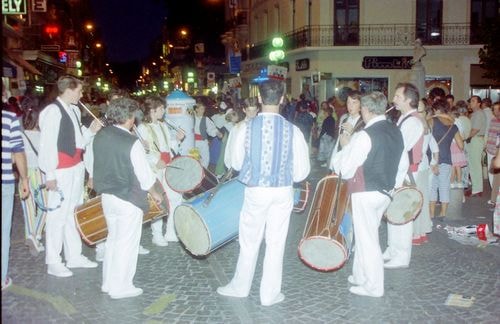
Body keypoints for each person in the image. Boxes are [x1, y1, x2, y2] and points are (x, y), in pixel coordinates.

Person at [217, 79, 310, 306]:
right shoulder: (293, 130)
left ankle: (240, 287)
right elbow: (301, 173)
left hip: (256, 190)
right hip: (283, 191)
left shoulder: (244, 128)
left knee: (249, 240)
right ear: (282, 99)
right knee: (276, 243)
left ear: (259, 98)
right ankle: (269, 294)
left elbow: (236, 163)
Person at [332, 91, 404, 297]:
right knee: (367, 235)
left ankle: (374, 286)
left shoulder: (365, 135)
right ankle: (360, 276)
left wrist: (343, 151)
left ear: (366, 110)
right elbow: (401, 164)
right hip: (385, 191)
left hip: (366, 190)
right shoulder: (394, 130)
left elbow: (345, 168)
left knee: (367, 240)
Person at [93, 97, 162, 299]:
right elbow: (145, 175)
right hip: (128, 198)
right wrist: (156, 194)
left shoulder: (100, 135)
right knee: (127, 243)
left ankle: (108, 282)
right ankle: (121, 287)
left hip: (107, 196)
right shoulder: (132, 142)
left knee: (113, 240)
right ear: (129, 117)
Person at [38, 75, 101, 277]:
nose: (82, 95)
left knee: (72, 214)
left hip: (75, 168)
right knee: (57, 216)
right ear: (69, 89)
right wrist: (50, 174)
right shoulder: (52, 112)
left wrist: (91, 131)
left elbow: (79, 142)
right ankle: (53, 261)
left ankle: (74, 256)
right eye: (80, 91)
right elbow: (47, 145)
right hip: (61, 170)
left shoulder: (73, 110)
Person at [383, 82, 425, 269]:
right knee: (394, 211)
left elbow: (399, 149)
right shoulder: (404, 119)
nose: (394, 100)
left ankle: (402, 256)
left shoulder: (413, 122)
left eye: (398, 97)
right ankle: (393, 249)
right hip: (399, 172)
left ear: (409, 100)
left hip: (406, 174)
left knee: (402, 213)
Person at [136, 96, 184, 246]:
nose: (164, 111)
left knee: (176, 197)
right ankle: (156, 234)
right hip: (154, 169)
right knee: (158, 201)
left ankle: (170, 231)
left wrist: (177, 139)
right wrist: (156, 162)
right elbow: (141, 152)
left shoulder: (163, 125)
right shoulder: (143, 128)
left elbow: (169, 147)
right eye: (162, 108)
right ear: (152, 110)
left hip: (167, 165)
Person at [2, 110, 30, 290]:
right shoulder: (8, 118)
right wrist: (24, 179)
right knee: (3, 231)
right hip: (4, 182)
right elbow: (18, 151)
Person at [18, 95, 47, 254]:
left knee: (29, 209)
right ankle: (34, 235)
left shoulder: (20, 136)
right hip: (39, 174)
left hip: (24, 174)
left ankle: (32, 236)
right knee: (45, 207)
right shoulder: (43, 137)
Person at [428, 99, 463, 220]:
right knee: (444, 186)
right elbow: (461, 145)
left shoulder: (432, 120)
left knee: (432, 187)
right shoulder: (453, 126)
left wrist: (434, 115)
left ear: (435, 110)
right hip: (447, 159)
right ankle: (443, 214)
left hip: (432, 159)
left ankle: (431, 213)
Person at [328, 90, 365, 170]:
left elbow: (362, 148)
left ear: (361, 105)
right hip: (341, 161)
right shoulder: (345, 120)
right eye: (348, 102)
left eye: (354, 102)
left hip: (353, 165)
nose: (350, 106)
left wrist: (352, 132)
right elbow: (338, 142)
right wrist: (332, 164)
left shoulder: (363, 123)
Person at [466, 95, 486, 197]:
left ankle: (477, 189)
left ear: (479, 103)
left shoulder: (478, 114)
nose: (471, 102)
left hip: (476, 140)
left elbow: (475, 129)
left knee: (475, 165)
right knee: (474, 165)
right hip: (475, 140)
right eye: (471, 101)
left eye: (473, 101)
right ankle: (476, 187)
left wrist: (465, 137)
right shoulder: (475, 113)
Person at [193, 103, 221, 168]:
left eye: (204, 109)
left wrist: (217, 132)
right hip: (193, 143)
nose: (203, 111)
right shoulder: (191, 118)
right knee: (195, 158)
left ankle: (203, 174)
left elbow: (211, 128)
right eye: (201, 109)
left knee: (205, 159)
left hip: (203, 142)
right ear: (196, 109)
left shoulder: (205, 119)